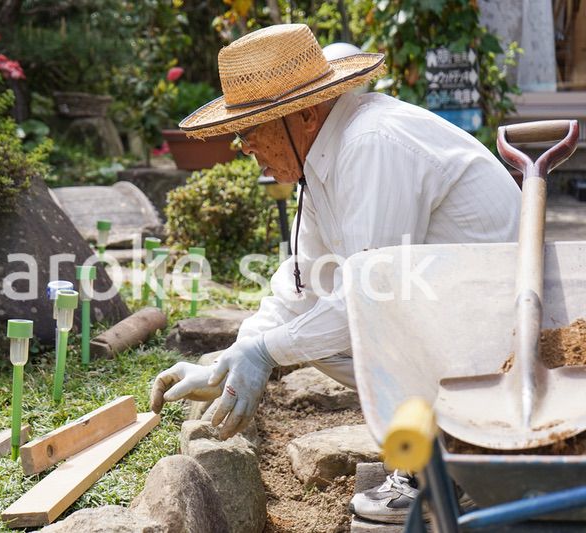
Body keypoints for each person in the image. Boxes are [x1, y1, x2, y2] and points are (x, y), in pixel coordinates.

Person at [149, 24, 521, 524]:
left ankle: (464, 464)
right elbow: (303, 283)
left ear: (302, 115)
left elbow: (373, 297)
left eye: (252, 131)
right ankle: (446, 456)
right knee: (309, 337)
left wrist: (267, 352)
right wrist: (234, 356)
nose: (247, 148)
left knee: (338, 336)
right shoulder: (323, 158)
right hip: (456, 310)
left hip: (504, 326)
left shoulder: (370, 145)